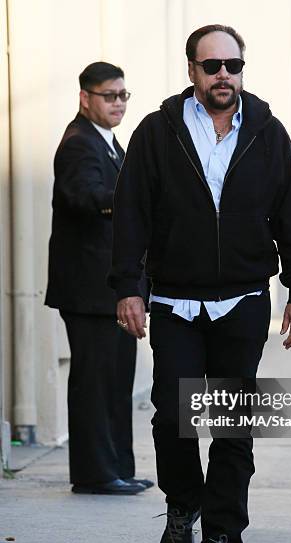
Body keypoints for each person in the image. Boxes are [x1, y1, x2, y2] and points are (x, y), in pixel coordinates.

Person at [108, 25, 291, 543]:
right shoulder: (158, 132)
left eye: (233, 64)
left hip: (245, 300)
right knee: (173, 416)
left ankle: (223, 541)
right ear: (192, 72)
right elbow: (132, 213)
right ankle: (183, 502)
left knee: (233, 424)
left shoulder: (268, 133)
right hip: (176, 301)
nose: (224, 74)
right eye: (212, 66)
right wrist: (128, 286)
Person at [45, 61, 153, 495]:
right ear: (85, 98)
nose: (118, 104)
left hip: (110, 287)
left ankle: (118, 469)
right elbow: (86, 196)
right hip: (88, 289)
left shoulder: (109, 143)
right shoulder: (78, 144)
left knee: (116, 381)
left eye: (124, 95)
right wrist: (137, 198)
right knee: (94, 381)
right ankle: (96, 474)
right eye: (109, 96)